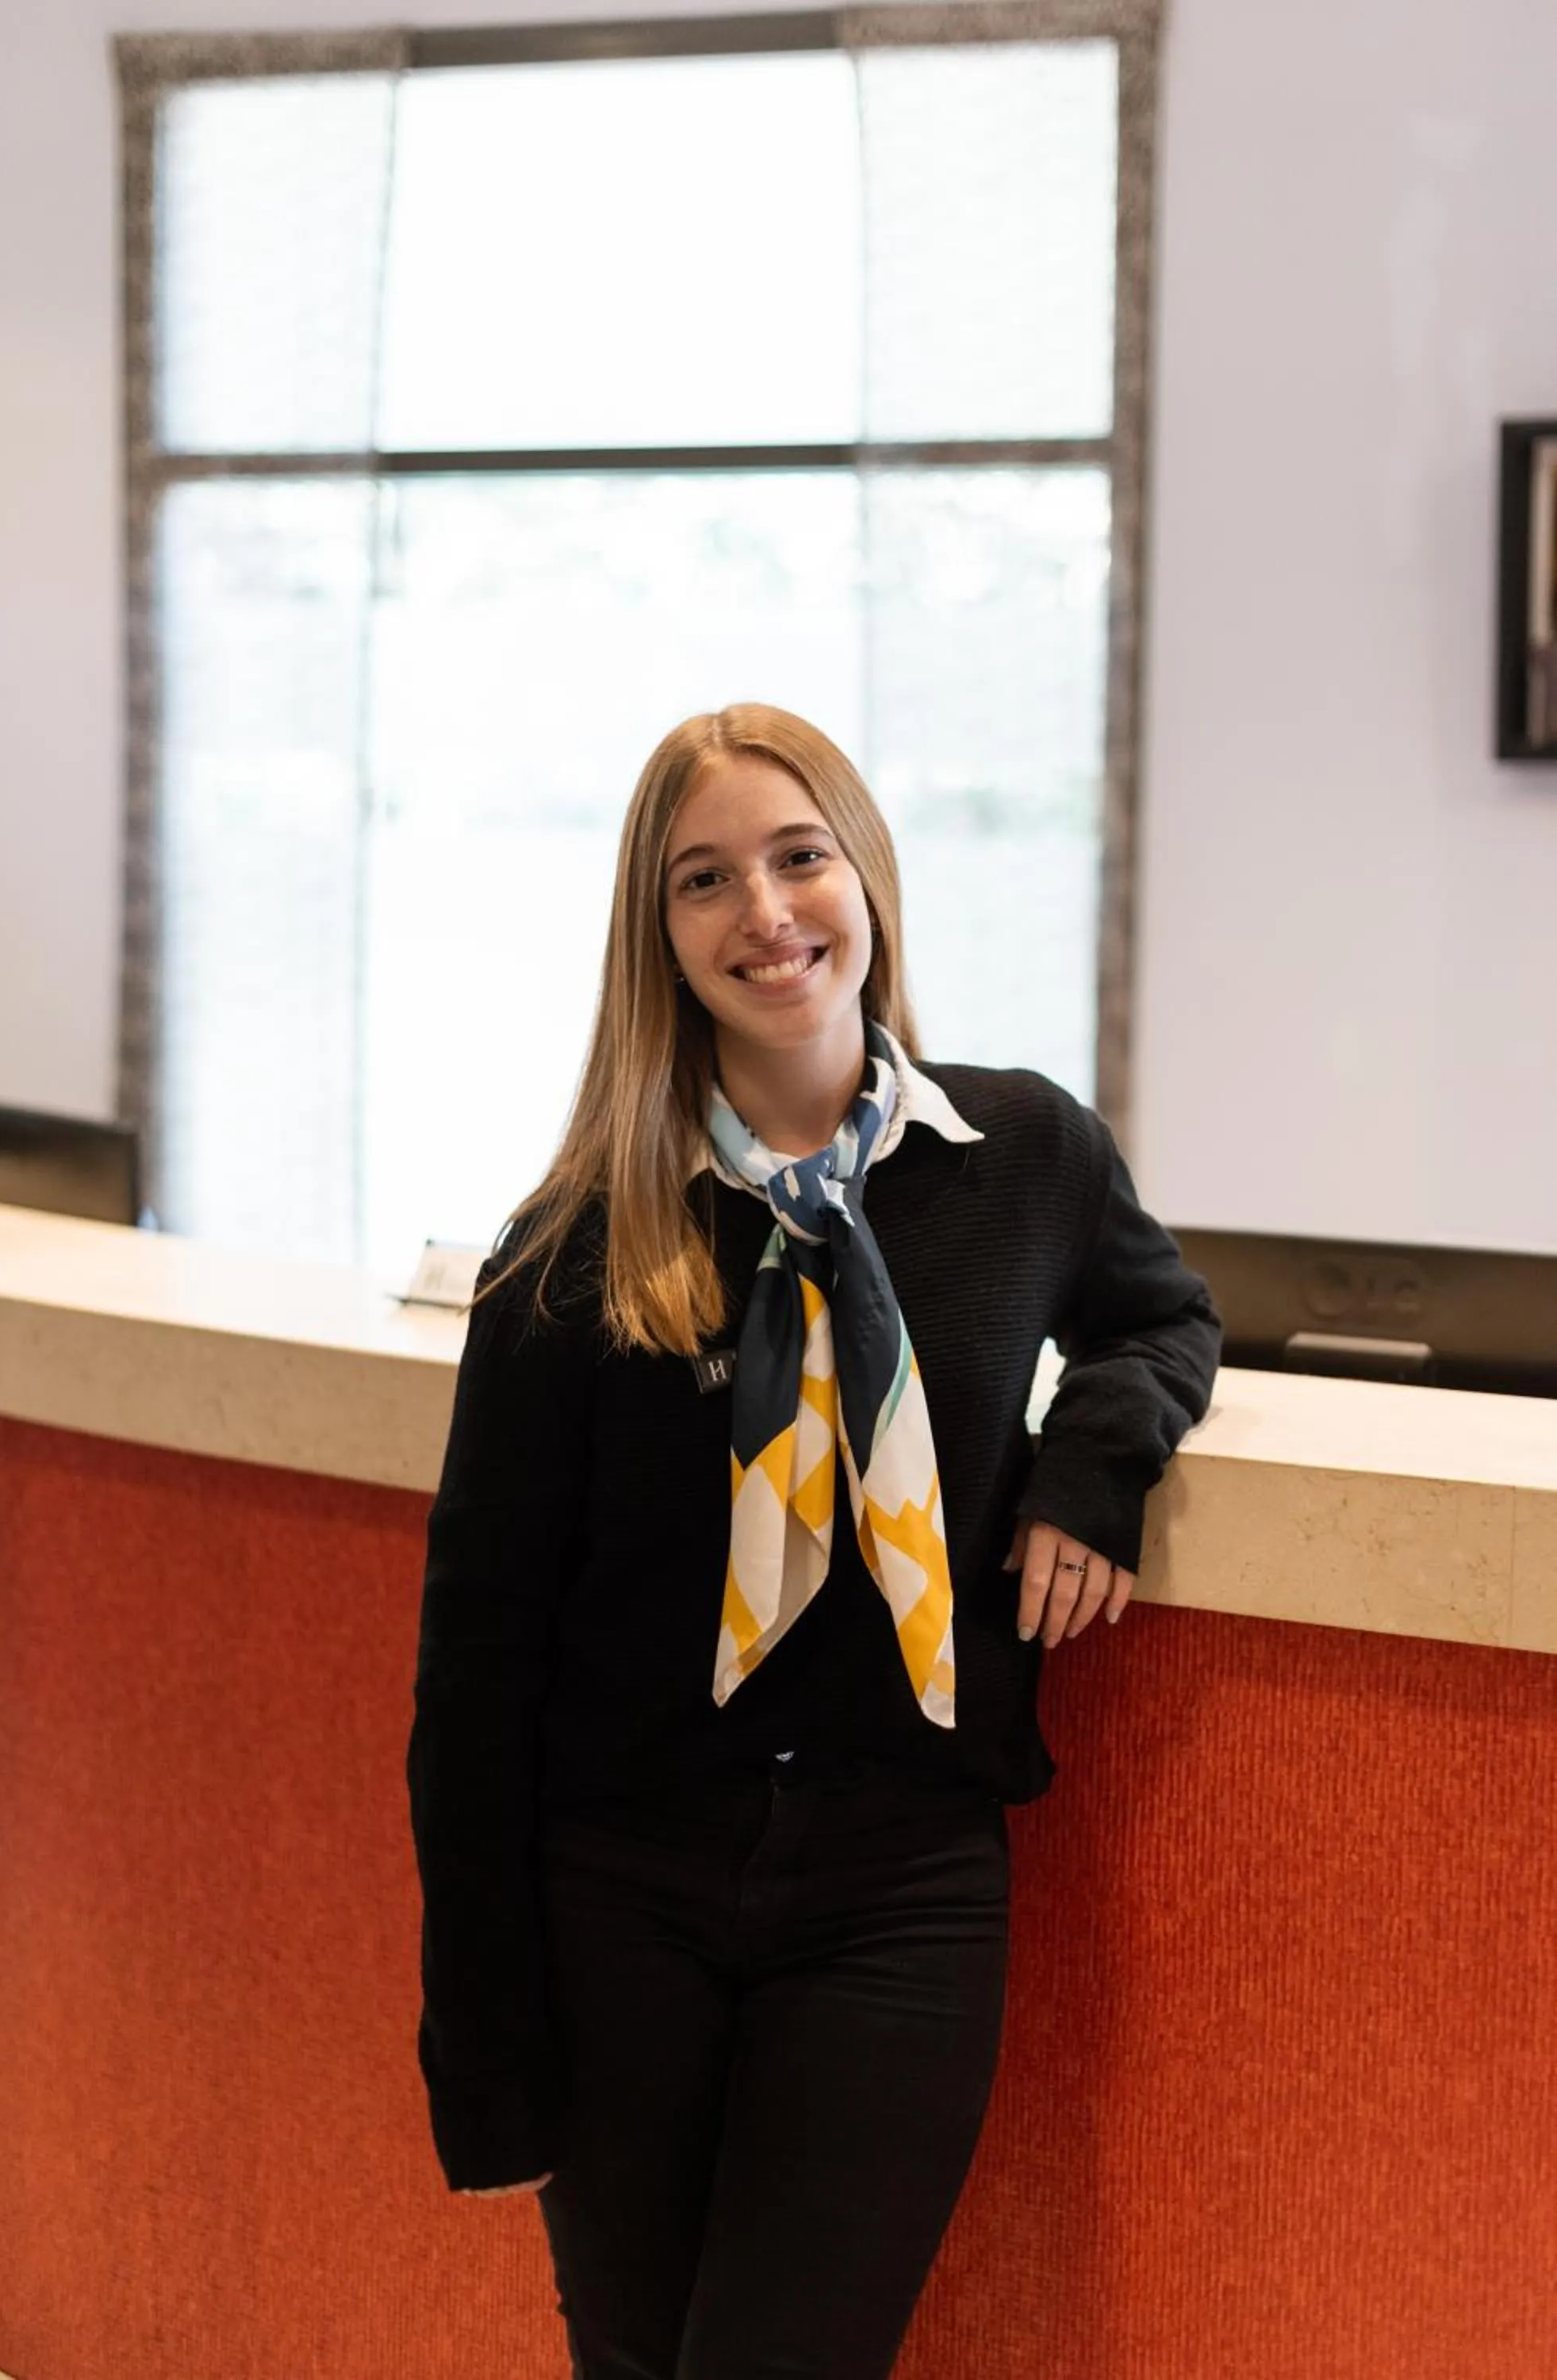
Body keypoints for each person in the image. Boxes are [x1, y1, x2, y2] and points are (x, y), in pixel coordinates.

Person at [407, 702, 1221, 2380]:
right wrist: (483, 2032)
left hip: (898, 1887)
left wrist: (1094, 1464)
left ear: (866, 874)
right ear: (659, 939)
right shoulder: (569, 1248)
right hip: (617, 1890)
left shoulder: (1026, 1157)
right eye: (703, 880)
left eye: (797, 856)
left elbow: (1164, 1321)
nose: (764, 913)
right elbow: (475, 1666)